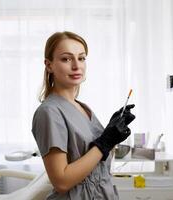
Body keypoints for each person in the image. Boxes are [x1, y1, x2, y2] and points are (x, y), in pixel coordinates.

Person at [32, 31, 135, 199]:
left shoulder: (83, 107)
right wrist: (104, 143)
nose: (76, 66)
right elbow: (61, 181)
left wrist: (112, 132)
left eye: (81, 58)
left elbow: (99, 164)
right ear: (49, 65)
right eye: (66, 59)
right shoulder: (49, 112)